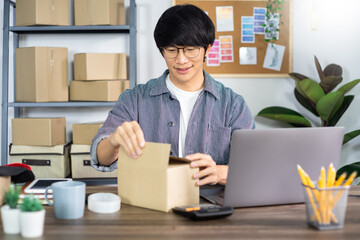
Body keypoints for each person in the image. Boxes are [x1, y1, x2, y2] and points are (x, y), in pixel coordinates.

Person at [90, 4, 254, 186]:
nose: (181, 59)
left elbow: (255, 167)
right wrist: (113, 141)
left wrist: (221, 172)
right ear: (162, 51)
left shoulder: (233, 105)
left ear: (207, 49)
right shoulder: (135, 99)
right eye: (172, 50)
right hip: (151, 203)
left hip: (212, 205)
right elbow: (101, 158)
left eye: (190, 50)